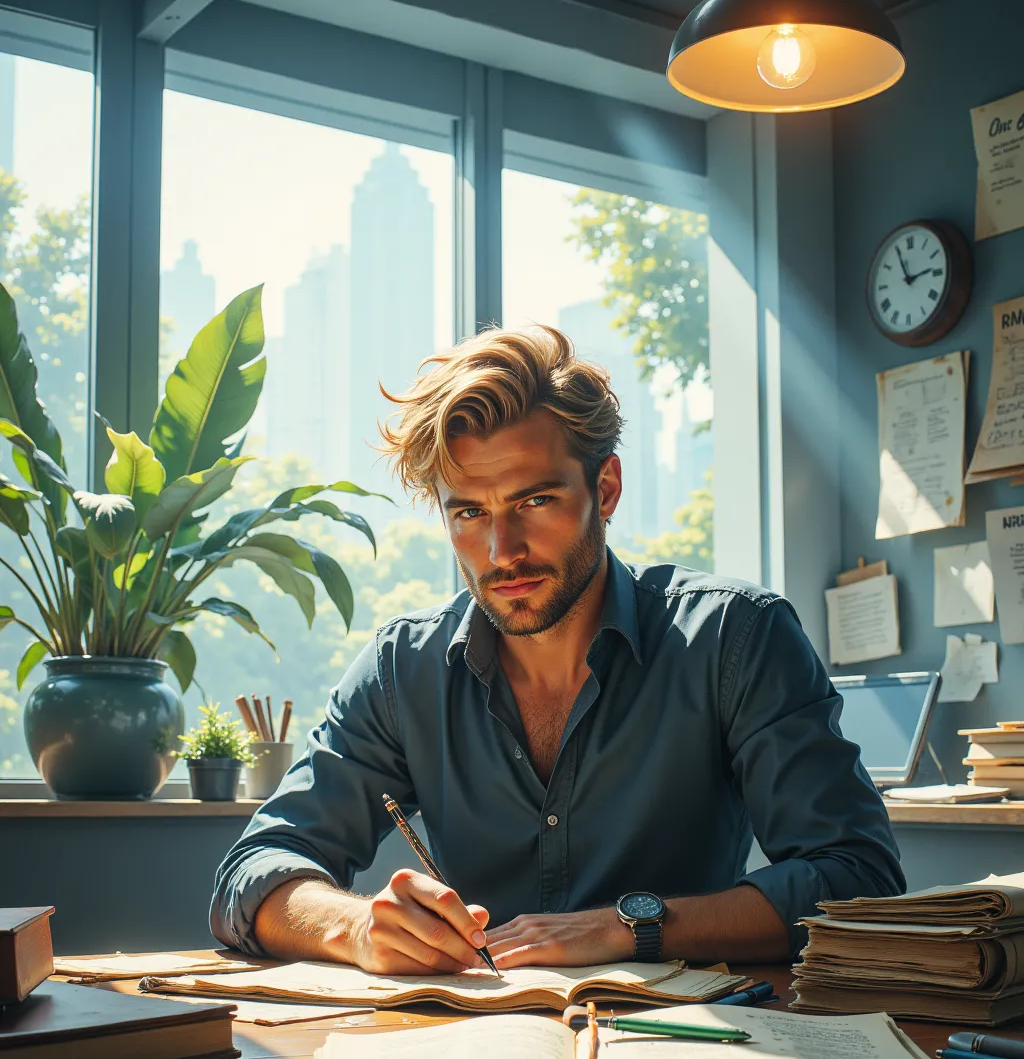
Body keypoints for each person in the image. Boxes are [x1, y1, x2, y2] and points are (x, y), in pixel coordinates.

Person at [211, 326, 903, 973]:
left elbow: (859, 877)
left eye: (534, 502)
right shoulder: (403, 669)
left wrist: (628, 927)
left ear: (606, 489)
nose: (501, 551)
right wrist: (358, 927)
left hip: (686, 1039)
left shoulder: (736, 638)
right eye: (469, 512)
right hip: (472, 1040)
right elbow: (253, 871)